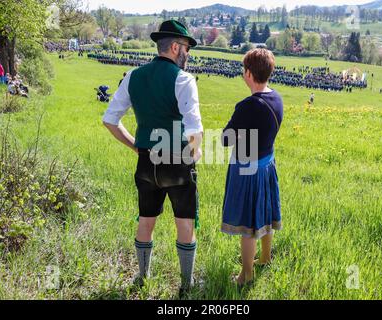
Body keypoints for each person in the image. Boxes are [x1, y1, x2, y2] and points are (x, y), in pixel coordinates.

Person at [102, 20, 203, 296]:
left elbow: (110, 120)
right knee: (184, 222)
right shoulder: (184, 80)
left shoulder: (133, 76)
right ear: (174, 47)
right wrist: (194, 154)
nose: (188, 54)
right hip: (177, 160)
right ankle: (185, 285)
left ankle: (142, 276)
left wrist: (136, 147)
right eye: (186, 48)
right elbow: (195, 128)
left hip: (147, 160)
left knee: (145, 220)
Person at [221, 48, 283, 286]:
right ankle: (265, 257)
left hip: (248, 169)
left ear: (248, 73)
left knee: (248, 224)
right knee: (266, 212)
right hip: (267, 163)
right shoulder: (276, 97)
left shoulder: (247, 106)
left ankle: (246, 275)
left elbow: (226, 139)